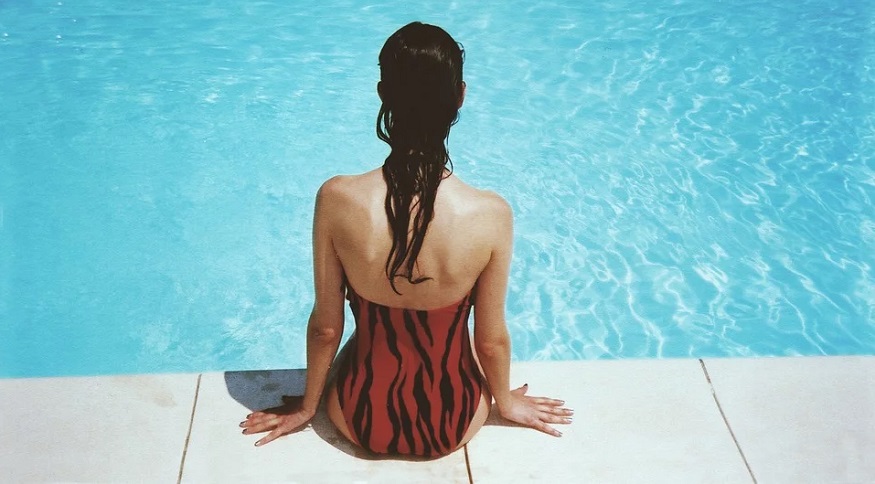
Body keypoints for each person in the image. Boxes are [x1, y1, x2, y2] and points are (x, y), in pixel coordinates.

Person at [241, 21, 572, 457]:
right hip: (454, 422)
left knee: (368, 340)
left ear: (383, 93)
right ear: (460, 96)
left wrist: (307, 408)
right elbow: (490, 341)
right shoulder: (490, 213)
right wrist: (505, 403)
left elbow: (325, 328)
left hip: (357, 417)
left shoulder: (337, 198)